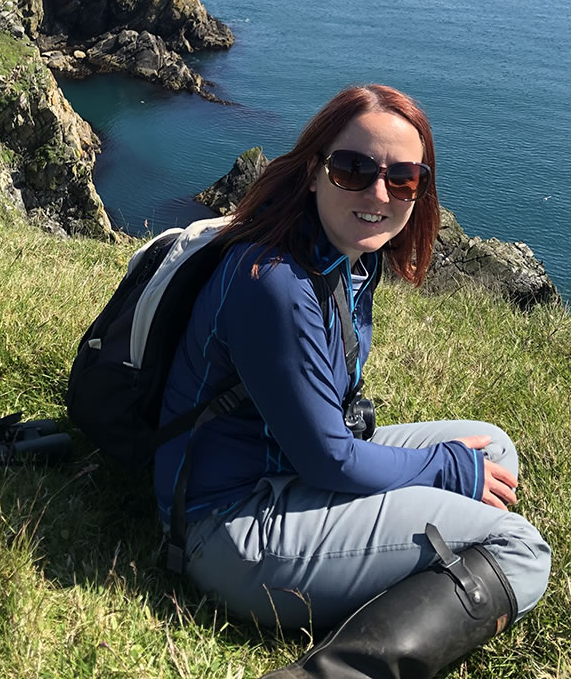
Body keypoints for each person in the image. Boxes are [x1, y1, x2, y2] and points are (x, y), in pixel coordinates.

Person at [153, 84, 551, 679]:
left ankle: (393, 579)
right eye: (353, 169)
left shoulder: (342, 258)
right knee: (519, 552)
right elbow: (330, 463)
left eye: (404, 178)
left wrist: (449, 467)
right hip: (229, 529)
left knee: (493, 447)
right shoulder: (277, 283)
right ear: (314, 172)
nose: (378, 193)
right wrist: (444, 469)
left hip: (283, 472)